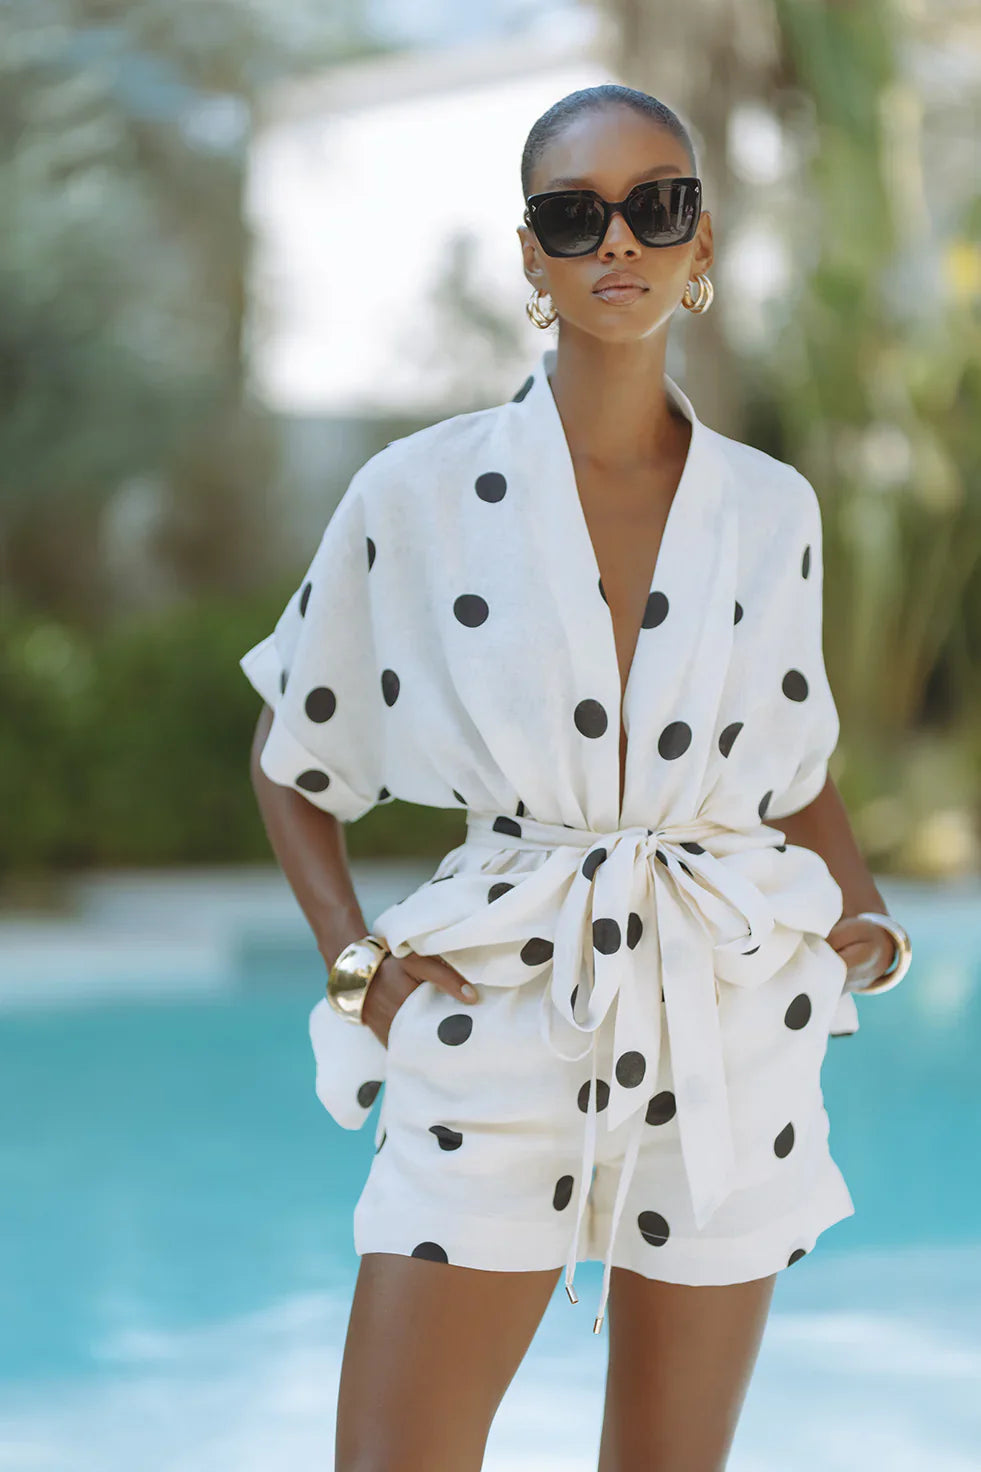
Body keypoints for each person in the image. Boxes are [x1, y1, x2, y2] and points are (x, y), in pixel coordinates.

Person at [241, 85, 911, 1472]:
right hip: (495, 1004)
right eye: (572, 215)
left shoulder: (771, 507)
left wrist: (865, 919)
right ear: (530, 257)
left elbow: (792, 768)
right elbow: (296, 751)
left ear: (700, 239)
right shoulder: (416, 491)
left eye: (656, 206)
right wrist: (354, 961)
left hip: (726, 1018)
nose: (617, 242)